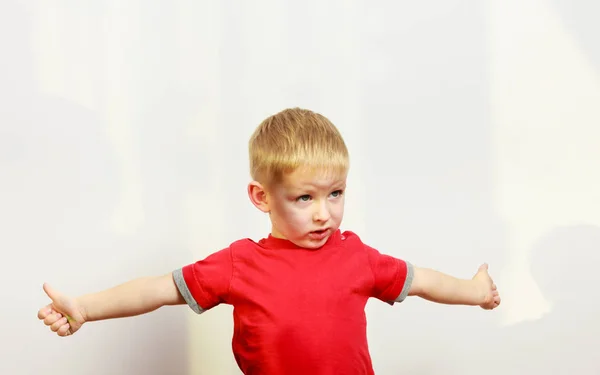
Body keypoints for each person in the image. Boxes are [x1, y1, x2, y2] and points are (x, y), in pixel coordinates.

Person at [38, 107, 501, 375]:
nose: (325, 212)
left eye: (335, 193)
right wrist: (85, 307)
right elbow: (157, 290)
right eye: (304, 197)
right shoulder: (240, 264)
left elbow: (421, 280)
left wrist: (476, 291)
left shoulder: (356, 257)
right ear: (262, 197)